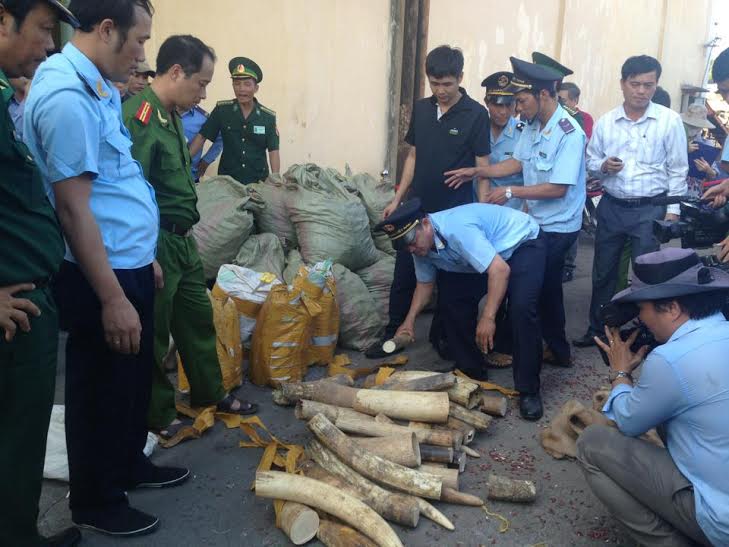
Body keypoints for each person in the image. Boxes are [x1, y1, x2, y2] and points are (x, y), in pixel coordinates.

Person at [24, 0, 191, 537]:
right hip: (101, 273)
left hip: (127, 262)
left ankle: (126, 464)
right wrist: (115, 296)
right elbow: (74, 209)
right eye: (140, 40)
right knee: (100, 384)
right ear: (105, 29)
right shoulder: (67, 97)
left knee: (131, 377)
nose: (145, 53)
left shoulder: (93, 83)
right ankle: (96, 498)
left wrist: (145, 260)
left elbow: (116, 182)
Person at [122, 34, 258, 439]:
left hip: (182, 241)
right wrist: (148, 253)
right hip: (158, 241)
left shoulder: (171, 115)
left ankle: (210, 393)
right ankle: (158, 414)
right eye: (200, 82)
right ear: (176, 72)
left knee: (198, 319)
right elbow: (133, 191)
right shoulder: (140, 117)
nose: (203, 92)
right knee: (155, 333)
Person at [445, 56, 586, 407]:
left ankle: (531, 387)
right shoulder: (534, 126)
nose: (516, 109)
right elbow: (517, 163)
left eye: (520, 101)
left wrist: (510, 192)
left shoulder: (569, 133)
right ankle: (559, 348)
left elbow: (557, 189)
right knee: (545, 291)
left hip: (557, 227)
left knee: (528, 300)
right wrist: (479, 172)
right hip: (532, 225)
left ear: (543, 93)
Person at [0, 3, 85, 546]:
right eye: (43, 30)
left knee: (21, 437)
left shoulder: (8, 97)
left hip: (28, 297)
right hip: (16, 307)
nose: (50, 45)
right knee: (15, 437)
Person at [577, 247, 729, 547]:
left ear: (672, 308)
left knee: (591, 444)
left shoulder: (671, 360)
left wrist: (620, 373)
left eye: (641, 308)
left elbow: (630, 422)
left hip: (722, 522)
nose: (640, 319)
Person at [364, 45, 491, 360]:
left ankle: (445, 339)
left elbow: (483, 166)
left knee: (450, 282)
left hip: (453, 214)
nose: (441, 91)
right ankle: (394, 332)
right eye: (434, 83)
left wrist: (485, 206)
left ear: (460, 78)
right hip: (417, 209)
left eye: (447, 84)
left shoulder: (476, 114)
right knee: (405, 273)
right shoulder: (422, 109)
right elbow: (414, 154)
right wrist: (398, 198)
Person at [376, 199, 548, 420]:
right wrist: (408, 321)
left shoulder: (458, 230)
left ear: (426, 224)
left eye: (411, 240)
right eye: (403, 246)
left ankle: (529, 390)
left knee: (522, 308)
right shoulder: (420, 248)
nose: (411, 248)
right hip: (485, 256)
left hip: (521, 243)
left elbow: (500, 271)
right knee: (451, 301)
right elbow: (425, 285)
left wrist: (488, 317)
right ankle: (472, 369)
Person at [573, 55, 688, 348]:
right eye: (635, 84)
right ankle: (597, 329)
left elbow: (677, 169)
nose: (641, 91)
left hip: (650, 209)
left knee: (647, 275)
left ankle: (646, 333)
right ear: (623, 84)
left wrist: (672, 212)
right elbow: (589, 161)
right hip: (612, 207)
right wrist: (603, 166)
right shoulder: (607, 122)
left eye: (648, 85)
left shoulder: (669, 121)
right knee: (603, 273)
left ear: (656, 85)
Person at [188, 56, 279, 184]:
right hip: (228, 183)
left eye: (247, 84)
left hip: (259, 183)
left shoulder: (267, 117)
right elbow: (202, 137)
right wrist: (183, 162)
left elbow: (273, 151)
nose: (241, 89)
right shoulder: (222, 111)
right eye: (237, 83)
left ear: (256, 88)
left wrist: (276, 180)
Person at [476, 71, 524, 209]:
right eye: (498, 105)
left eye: (508, 105)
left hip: (512, 212)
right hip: (479, 207)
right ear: (487, 102)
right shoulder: (476, 130)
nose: (503, 112)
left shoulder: (523, 134)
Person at [179, 101, 222, 181]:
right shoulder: (161, 111)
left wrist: (206, 160)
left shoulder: (202, 118)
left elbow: (220, 137)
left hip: (189, 176)